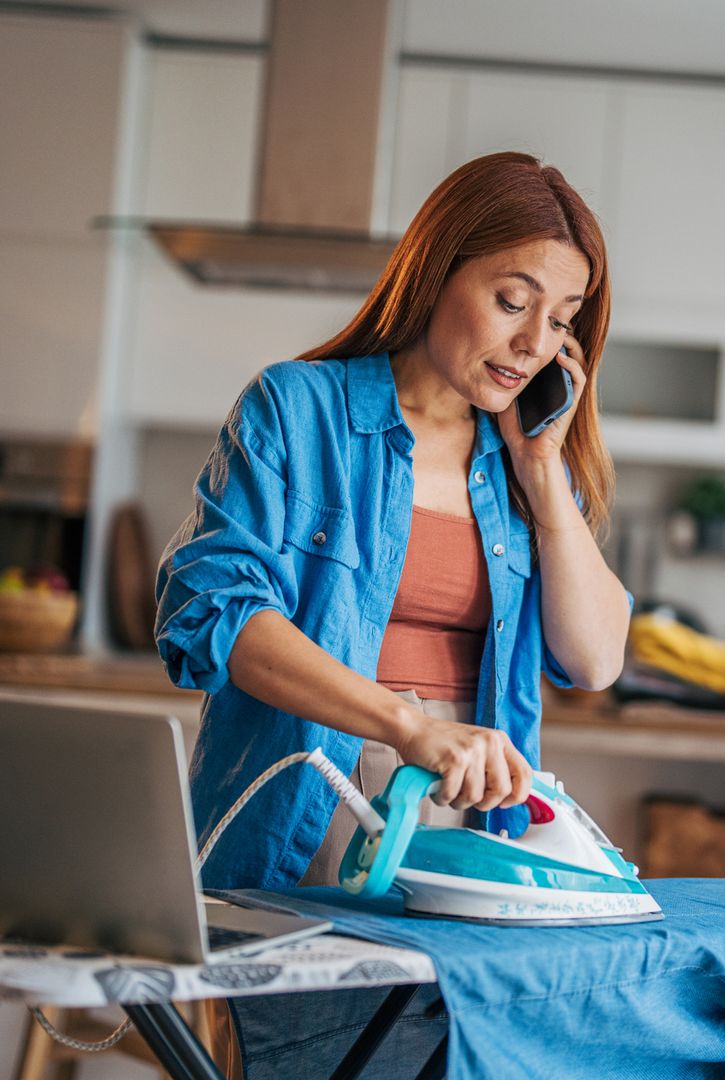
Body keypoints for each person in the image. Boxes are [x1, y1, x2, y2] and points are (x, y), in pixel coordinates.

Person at [155, 150, 632, 897]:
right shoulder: (297, 409)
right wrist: (408, 728)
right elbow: (217, 612)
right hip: (313, 798)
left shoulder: (526, 466)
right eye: (513, 300)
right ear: (438, 271)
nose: (535, 343)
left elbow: (597, 661)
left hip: (470, 819)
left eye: (561, 321)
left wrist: (542, 472)